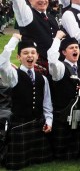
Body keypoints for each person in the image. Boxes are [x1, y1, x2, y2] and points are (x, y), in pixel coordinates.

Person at [0, 35, 53, 170]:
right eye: (25, 53)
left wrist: (49, 121)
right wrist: (13, 40)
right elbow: (1, 64)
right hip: (20, 125)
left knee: (41, 161)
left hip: (38, 124)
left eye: (32, 53)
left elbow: (47, 104)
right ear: (19, 57)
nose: (29, 56)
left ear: (37, 56)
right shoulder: (13, 76)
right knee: (16, 164)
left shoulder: (43, 79)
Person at [47, 31, 80, 159]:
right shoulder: (59, 68)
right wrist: (57, 39)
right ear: (64, 52)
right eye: (71, 48)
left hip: (78, 112)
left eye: (76, 47)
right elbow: (52, 59)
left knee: (76, 148)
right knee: (61, 152)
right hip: (62, 113)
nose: (75, 49)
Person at [0, 0, 58, 72]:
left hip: (55, 67)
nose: (42, 0)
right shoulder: (27, 15)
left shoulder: (51, 18)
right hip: (35, 68)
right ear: (30, 1)